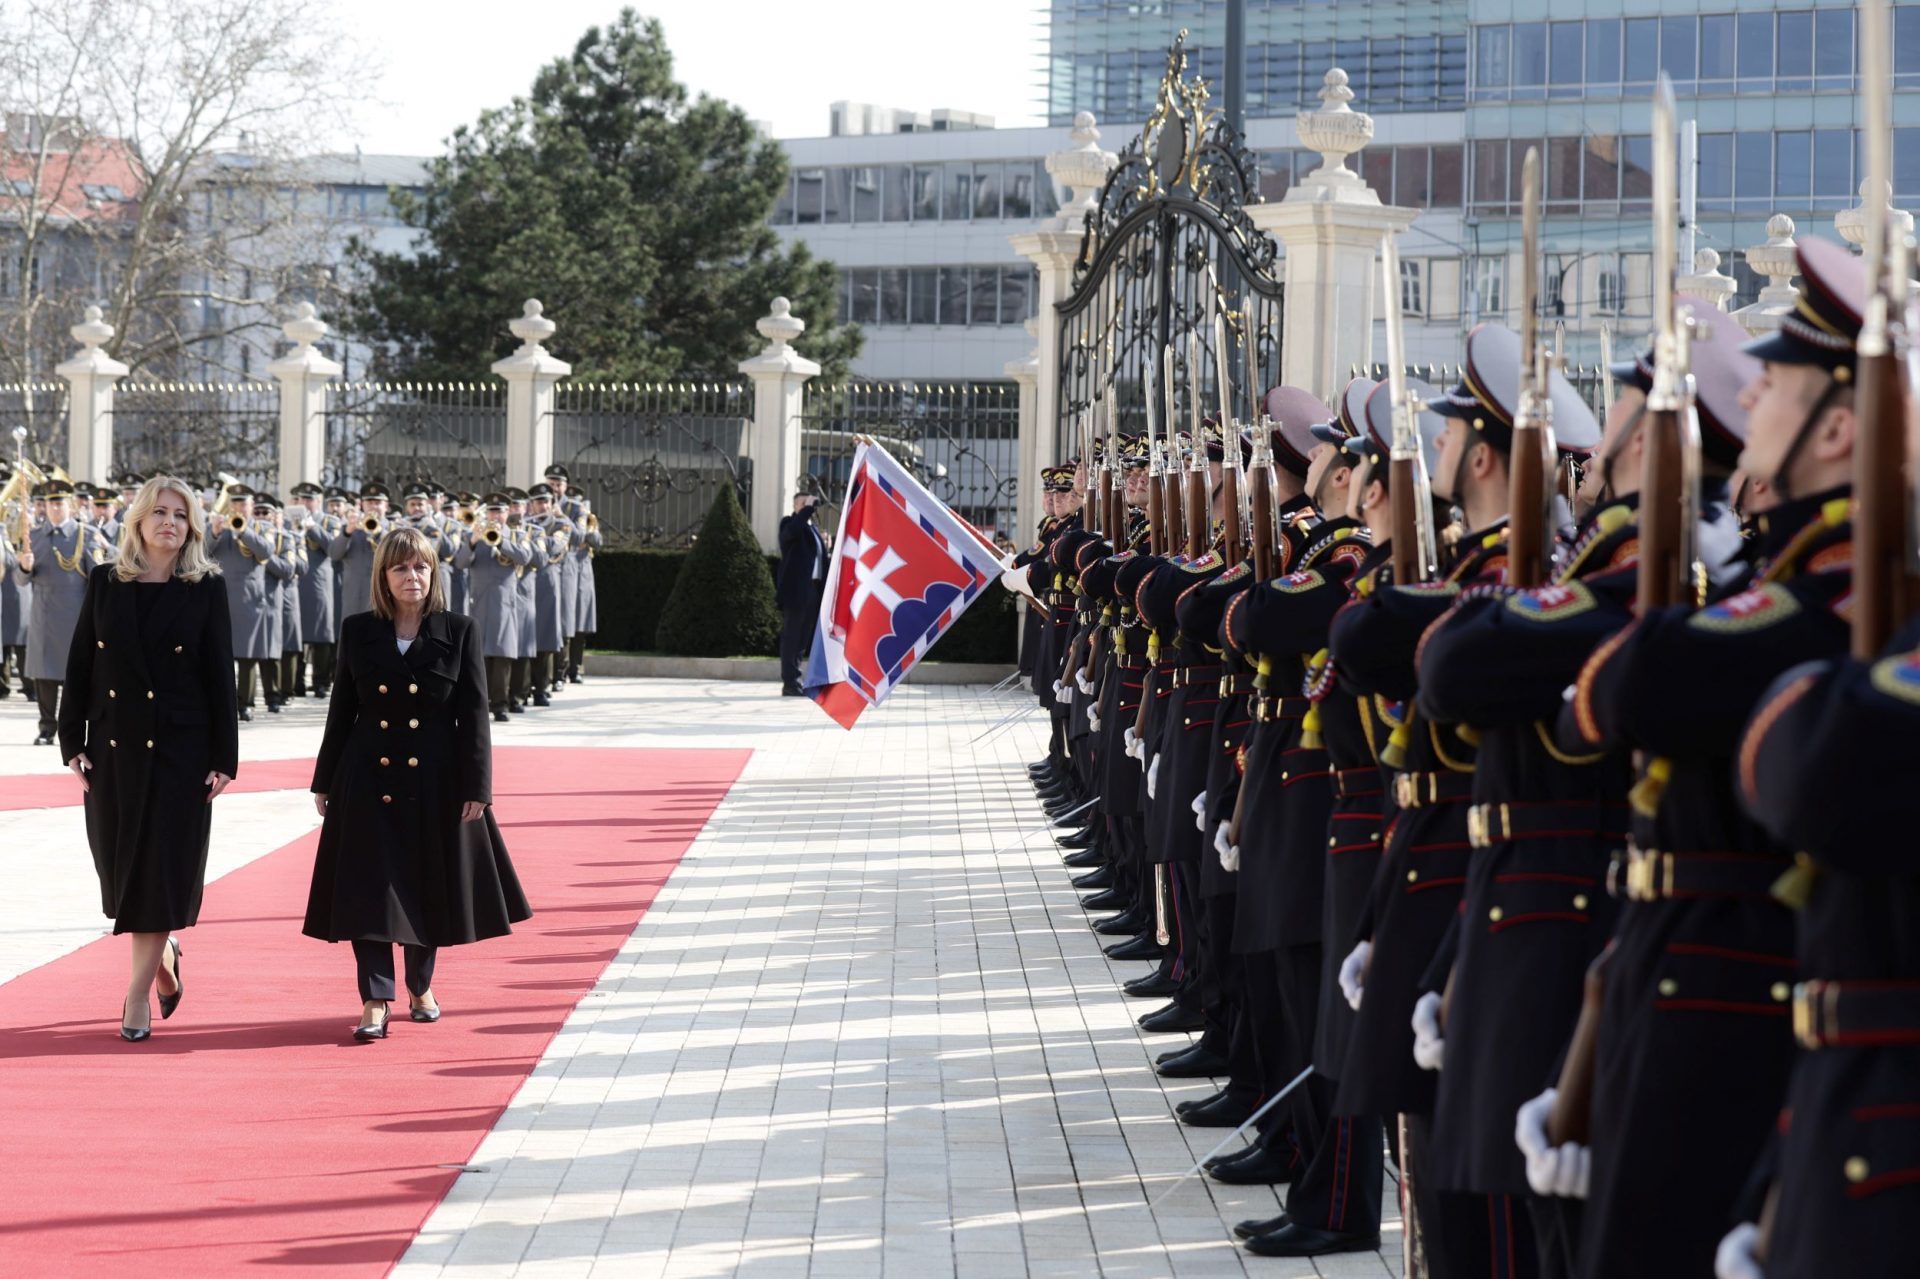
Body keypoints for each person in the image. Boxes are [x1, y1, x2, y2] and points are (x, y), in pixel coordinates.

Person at [304, 525, 531, 1041]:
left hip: (434, 780)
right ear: (384, 576)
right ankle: (374, 998)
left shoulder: (460, 629)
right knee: (370, 891)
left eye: (422, 566)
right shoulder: (359, 630)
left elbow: (475, 714)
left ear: (435, 573)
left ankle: (420, 986)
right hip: (367, 778)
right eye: (401, 567)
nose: (413, 577)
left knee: (427, 884)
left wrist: (478, 786)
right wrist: (325, 778)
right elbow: (342, 710)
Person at [58, 475, 239, 1041]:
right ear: (138, 519)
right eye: (159, 512)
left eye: (180, 515)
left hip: (180, 755)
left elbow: (219, 677)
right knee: (121, 883)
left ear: (193, 526)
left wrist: (224, 758)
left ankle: (135, 998)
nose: (169, 522)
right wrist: (71, 741)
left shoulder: (204, 587)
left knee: (157, 879)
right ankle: (162, 954)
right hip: (114, 752)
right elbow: (81, 664)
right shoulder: (107, 581)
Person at [12, 479, 113, 744]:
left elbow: (97, 577)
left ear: (69, 504)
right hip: (43, 614)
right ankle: (47, 728)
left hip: (74, 613)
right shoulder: (33, 537)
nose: (55, 508)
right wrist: (23, 566)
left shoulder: (86, 535)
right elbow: (21, 581)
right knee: (43, 676)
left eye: (59, 502)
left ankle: (73, 730)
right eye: (50, 503)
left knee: (75, 676)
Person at [776, 492, 829, 695]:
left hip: (813, 589)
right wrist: (807, 508)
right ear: (796, 505)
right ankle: (790, 683)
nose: (808, 506)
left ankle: (797, 679)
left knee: (803, 637)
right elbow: (791, 533)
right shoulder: (789, 523)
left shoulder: (812, 529)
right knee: (792, 636)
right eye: (803, 503)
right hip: (797, 590)